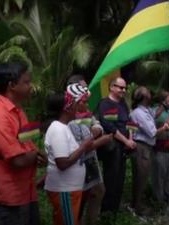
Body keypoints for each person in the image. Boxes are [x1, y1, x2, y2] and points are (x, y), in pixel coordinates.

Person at [0, 63, 46, 225]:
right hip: (10, 196)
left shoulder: (19, 111)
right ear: (12, 86)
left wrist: (35, 155)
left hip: (26, 191)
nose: (31, 86)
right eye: (27, 82)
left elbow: (28, 146)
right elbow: (18, 160)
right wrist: (36, 155)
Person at [44, 89, 111, 225]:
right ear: (67, 108)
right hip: (65, 190)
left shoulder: (63, 127)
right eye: (75, 104)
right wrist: (83, 147)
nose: (78, 107)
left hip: (70, 189)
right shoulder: (58, 129)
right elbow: (62, 163)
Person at [65, 82, 107, 225]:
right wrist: (100, 140)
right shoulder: (68, 121)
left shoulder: (86, 114)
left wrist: (96, 129)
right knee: (80, 198)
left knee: (98, 191)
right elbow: (80, 147)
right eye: (84, 102)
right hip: (78, 164)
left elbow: (97, 125)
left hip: (90, 161)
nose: (87, 105)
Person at [96, 77, 136, 212]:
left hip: (125, 147)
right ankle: (106, 213)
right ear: (111, 87)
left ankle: (115, 211)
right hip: (113, 148)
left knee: (120, 180)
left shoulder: (123, 104)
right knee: (111, 180)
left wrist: (130, 139)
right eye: (120, 87)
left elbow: (129, 122)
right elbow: (109, 126)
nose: (123, 90)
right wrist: (125, 141)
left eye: (124, 88)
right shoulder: (105, 104)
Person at [129, 86, 169, 215]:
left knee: (143, 177)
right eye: (147, 93)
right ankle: (136, 208)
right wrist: (166, 126)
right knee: (140, 178)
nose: (150, 94)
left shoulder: (146, 110)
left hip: (146, 148)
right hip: (142, 147)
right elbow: (152, 133)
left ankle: (137, 205)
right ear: (143, 97)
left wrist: (165, 104)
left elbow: (155, 114)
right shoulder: (139, 113)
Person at [151, 91, 169, 205]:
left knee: (168, 173)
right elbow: (153, 120)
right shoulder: (155, 109)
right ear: (163, 99)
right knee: (159, 173)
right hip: (158, 146)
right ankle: (158, 198)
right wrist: (162, 107)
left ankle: (167, 195)